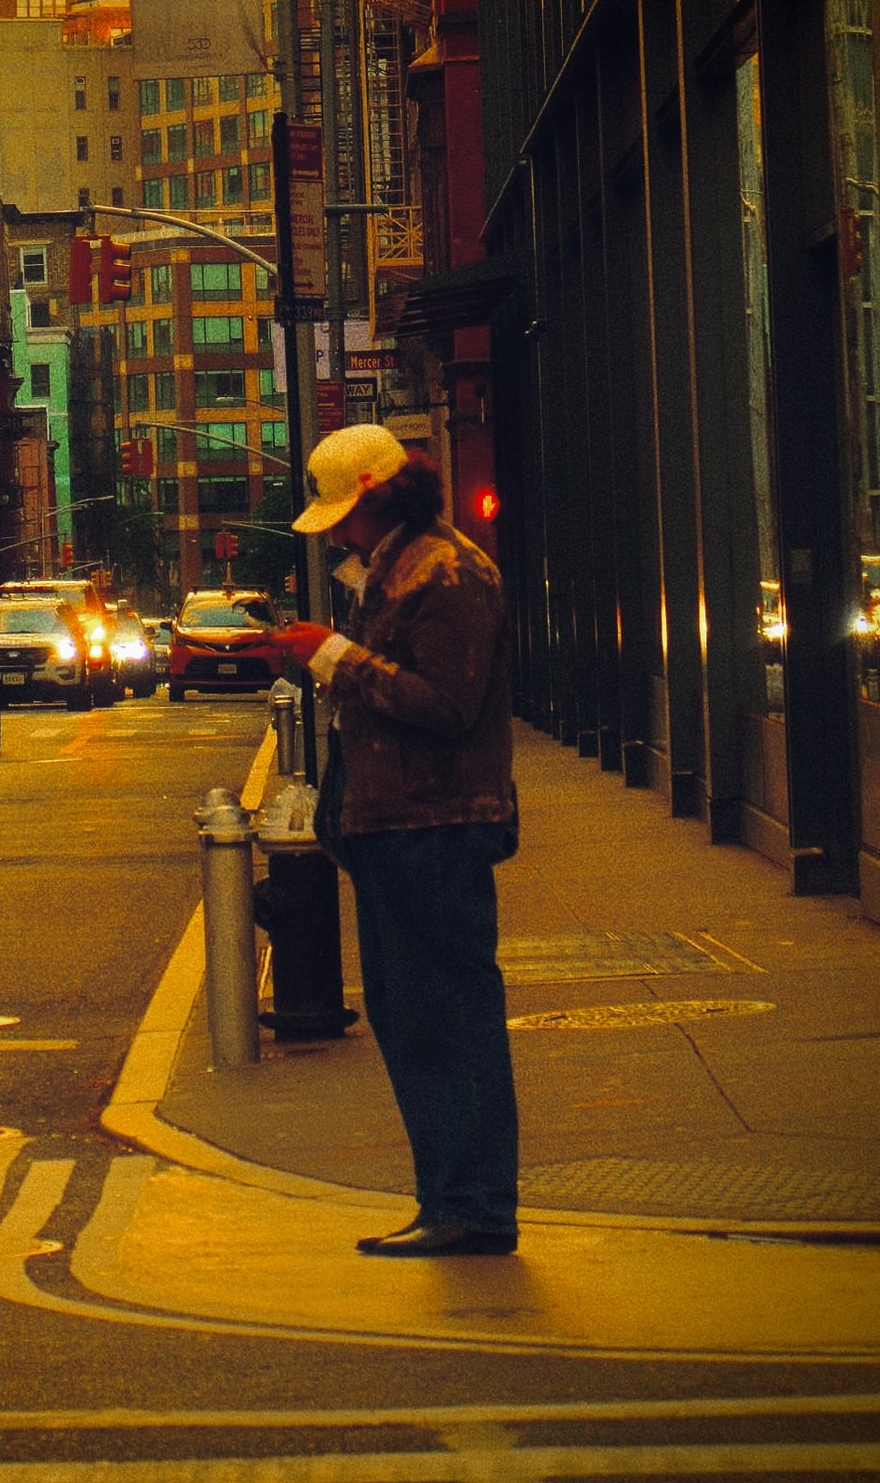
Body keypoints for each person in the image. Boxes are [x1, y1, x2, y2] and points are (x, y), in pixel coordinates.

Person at [272, 423, 519, 1258]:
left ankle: (471, 1203)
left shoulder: (447, 573)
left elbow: (448, 705)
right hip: (398, 829)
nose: (338, 531)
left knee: (441, 1016)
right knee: (414, 1016)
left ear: (381, 496)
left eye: (345, 515)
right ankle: (453, 1198)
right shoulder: (402, 567)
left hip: (434, 829)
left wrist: (333, 655)